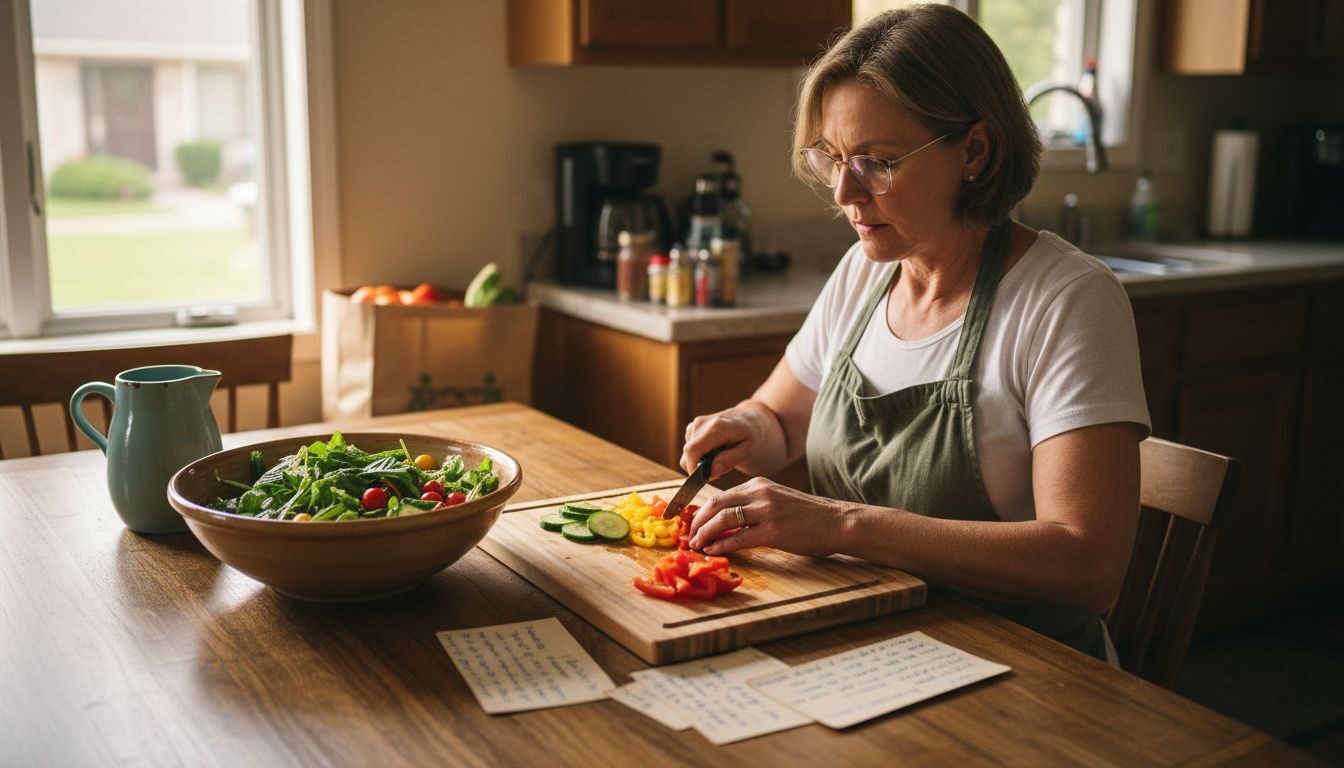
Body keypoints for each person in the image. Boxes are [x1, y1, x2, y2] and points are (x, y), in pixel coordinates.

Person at [680, 4, 1150, 662]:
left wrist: (843, 524)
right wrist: (744, 427)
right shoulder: (865, 274)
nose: (845, 192)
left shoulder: (1067, 301)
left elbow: (1089, 568)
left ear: (975, 152)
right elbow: (780, 419)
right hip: (873, 646)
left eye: (877, 161)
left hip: (1030, 676)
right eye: (833, 158)